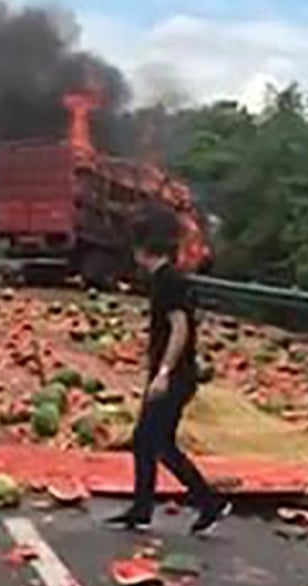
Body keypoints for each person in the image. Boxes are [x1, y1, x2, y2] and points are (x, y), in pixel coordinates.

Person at [104, 209, 230, 534]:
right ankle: (142, 509)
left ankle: (209, 501)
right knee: (146, 441)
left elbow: (180, 328)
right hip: (174, 374)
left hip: (175, 376)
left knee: (158, 443)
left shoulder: (168, 282)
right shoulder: (166, 278)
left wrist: (163, 371)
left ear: (142, 250)